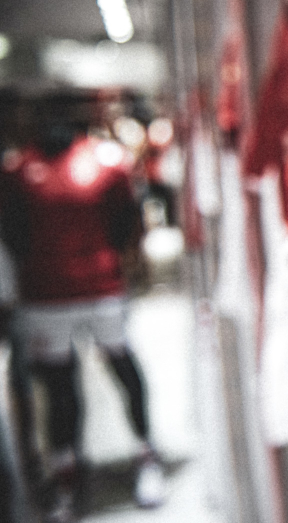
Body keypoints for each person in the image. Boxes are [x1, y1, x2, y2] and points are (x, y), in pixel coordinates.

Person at [0, 93, 164, 523]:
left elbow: (126, 220)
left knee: (122, 367)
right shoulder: (19, 170)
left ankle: (146, 453)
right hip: (45, 296)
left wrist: (122, 263)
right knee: (59, 387)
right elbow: (12, 231)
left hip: (101, 287)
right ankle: (67, 472)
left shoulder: (105, 162)